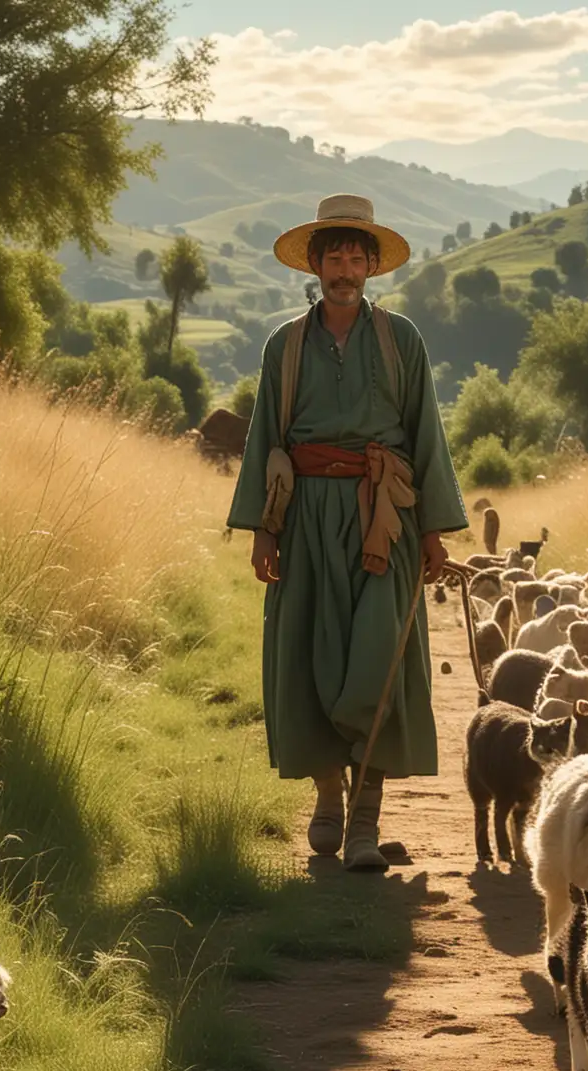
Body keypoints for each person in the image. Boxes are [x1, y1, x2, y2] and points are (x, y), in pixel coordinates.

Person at [226, 195, 468, 870]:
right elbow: (263, 441)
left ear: (371, 268)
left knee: (378, 660)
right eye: (334, 254)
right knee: (310, 660)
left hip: (382, 521)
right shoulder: (286, 346)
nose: (346, 267)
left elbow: (427, 437)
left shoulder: (401, 342)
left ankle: (366, 821)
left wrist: (431, 531)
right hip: (304, 521)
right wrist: (262, 532)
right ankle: (328, 797)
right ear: (314, 262)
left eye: (357, 256)